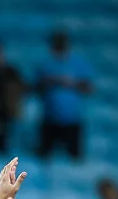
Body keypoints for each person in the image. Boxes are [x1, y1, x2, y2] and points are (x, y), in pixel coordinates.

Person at [35, 31, 92, 160]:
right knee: (44, 158)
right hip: (50, 118)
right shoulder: (46, 64)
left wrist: (72, 83)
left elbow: (88, 88)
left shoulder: (78, 63)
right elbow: (37, 87)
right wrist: (52, 81)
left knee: (75, 159)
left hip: (72, 119)